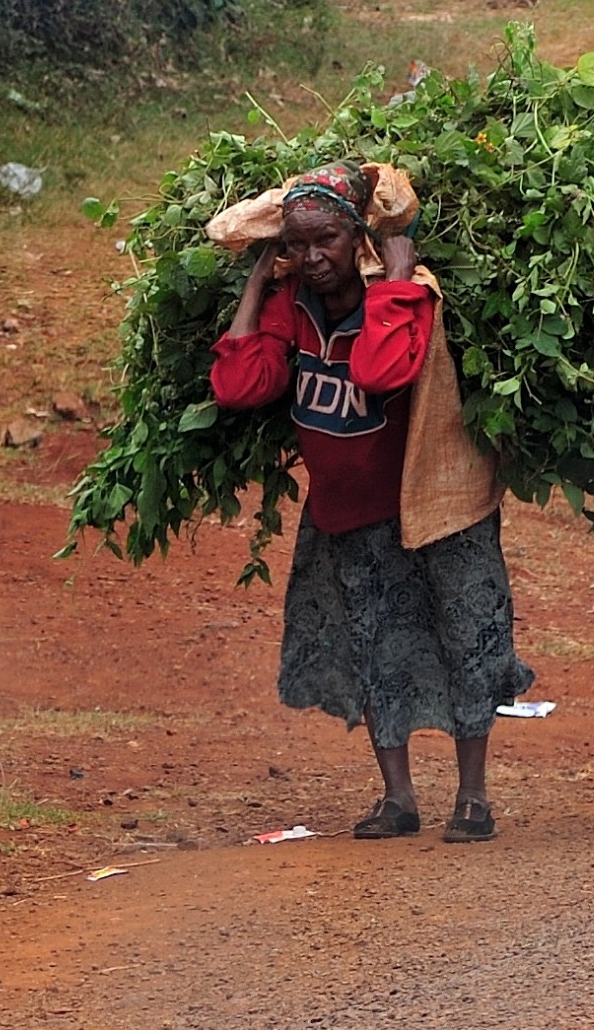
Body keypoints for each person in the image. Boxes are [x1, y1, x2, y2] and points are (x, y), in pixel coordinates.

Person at [209, 160, 532, 843]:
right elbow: (241, 384)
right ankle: (398, 798)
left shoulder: (408, 296)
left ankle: (472, 797)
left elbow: (379, 370)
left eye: (324, 238)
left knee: (464, 638)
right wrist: (257, 281)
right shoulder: (291, 304)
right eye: (295, 243)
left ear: (357, 238)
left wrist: (395, 276)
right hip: (347, 513)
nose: (311, 256)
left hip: (434, 509)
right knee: (374, 649)